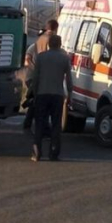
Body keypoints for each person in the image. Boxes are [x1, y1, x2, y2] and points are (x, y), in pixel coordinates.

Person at [31, 34, 73, 162]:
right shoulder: (64, 58)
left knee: (40, 123)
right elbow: (69, 79)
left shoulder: (41, 57)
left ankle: (37, 152)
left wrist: (34, 92)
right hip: (57, 95)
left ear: (49, 44)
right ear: (60, 44)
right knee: (56, 124)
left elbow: (36, 77)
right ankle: (54, 152)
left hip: (42, 94)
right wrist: (69, 94)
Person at [22, 19, 59, 130]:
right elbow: (27, 61)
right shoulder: (35, 46)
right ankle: (41, 125)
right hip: (33, 78)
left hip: (39, 77)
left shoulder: (41, 45)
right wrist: (36, 70)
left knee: (36, 100)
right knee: (39, 100)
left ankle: (28, 123)